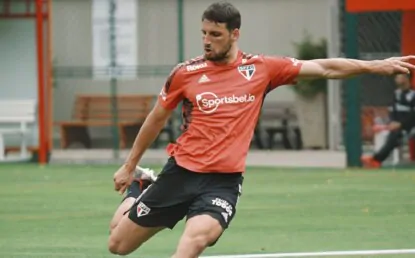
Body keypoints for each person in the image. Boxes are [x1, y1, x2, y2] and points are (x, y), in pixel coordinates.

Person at [108, 2, 415, 257]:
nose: (207, 40)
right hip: (181, 174)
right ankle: (140, 187)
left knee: (194, 241)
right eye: (204, 33)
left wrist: (375, 66)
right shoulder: (185, 74)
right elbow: (156, 118)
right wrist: (130, 165)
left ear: (234, 34)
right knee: (118, 245)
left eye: (215, 34)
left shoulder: (261, 69)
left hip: (222, 183)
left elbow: (323, 67)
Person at [361, 72, 415, 168]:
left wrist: (401, 124)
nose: (396, 78)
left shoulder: (413, 95)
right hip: (398, 127)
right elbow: (393, 111)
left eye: (399, 76)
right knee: (394, 134)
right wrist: (393, 122)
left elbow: (413, 115)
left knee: (396, 134)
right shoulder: (396, 94)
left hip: (410, 126)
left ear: (406, 78)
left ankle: (376, 160)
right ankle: (375, 161)